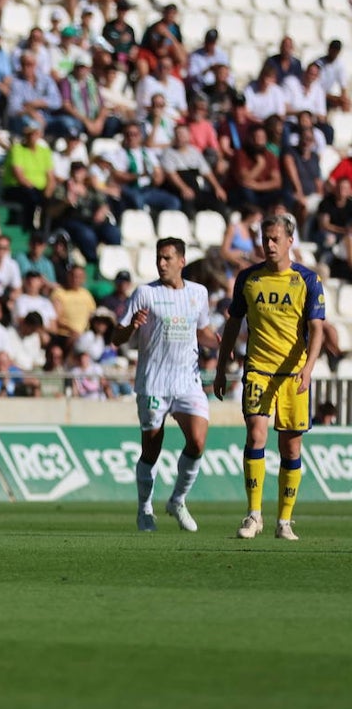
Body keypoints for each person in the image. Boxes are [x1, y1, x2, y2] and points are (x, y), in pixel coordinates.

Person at [214, 213, 326, 542]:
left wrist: (308, 368)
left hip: (293, 375)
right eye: (265, 239)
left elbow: (317, 329)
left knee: (290, 449)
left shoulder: (307, 279)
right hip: (258, 369)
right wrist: (222, 366)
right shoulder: (248, 278)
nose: (270, 244)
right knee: (255, 434)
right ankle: (253, 515)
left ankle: (285, 521)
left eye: (276, 238)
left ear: (291, 241)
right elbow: (233, 322)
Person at [111, 239, 218, 533]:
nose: (162, 263)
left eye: (167, 258)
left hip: (188, 381)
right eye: (159, 258)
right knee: (151, 450)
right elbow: (116, 337)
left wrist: (223, 344)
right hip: (154, 383)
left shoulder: (198, 293)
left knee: (197, 442)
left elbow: (203, 331)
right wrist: (131, 326)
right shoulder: (145, 293)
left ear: (181, 261)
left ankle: (177, 500)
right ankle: (145, 509)